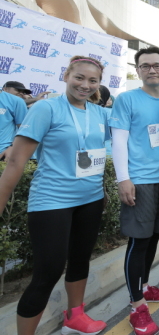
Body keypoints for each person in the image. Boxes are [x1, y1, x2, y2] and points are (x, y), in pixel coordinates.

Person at [0, 56, 110, 335]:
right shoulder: (46, 108)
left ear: (99, 83)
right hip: (52, 201)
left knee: (80, 259)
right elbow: (16, 161)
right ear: (66, 75)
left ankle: (75, 316)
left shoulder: (98, 113)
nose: (85, 85)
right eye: (79, 78)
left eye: (93, 80)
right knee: (47, 273)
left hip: (91, 199)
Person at [110, 46, 159, 335]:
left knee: (154, 237)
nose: (152, 69)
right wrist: (123, 179)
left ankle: (145, 287)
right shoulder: (127, 100)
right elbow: (119, 142)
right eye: (146, 65)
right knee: (138, 242)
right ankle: (136, 305)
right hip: (139, 182)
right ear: (137, 70)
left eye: (157, 65)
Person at [0, 82, 28, 161]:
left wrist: (12, 147)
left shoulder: (16, 101)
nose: (21, 93)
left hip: (3, 152)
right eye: (18, 90)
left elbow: (25, 130)